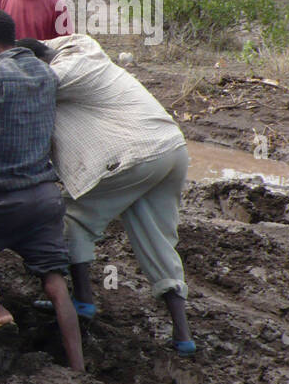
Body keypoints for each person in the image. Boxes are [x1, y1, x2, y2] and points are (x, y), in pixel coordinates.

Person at [17, 35, 196, 355]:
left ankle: (83, 301)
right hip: (170, 149)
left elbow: (26, 82)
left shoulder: (64, 72)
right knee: (157, 240)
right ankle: (183, 335)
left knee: (76, 217)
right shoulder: (82, 49)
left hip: (138, 156)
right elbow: (30, 42)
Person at [0, 9, 84, 373]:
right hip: (45, 195)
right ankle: (78, 365)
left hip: (2, 197)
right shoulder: (45, 74)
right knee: (55, 282)